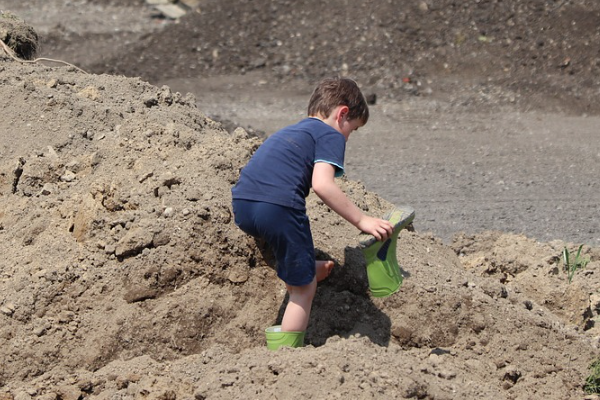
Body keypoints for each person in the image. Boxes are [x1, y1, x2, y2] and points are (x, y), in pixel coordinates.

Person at [231, 77, 393, 336]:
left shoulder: (290, 131)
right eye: (353, 129)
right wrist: (363, 220)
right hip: (279, 208)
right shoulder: (331, 134)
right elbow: (322, 185)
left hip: (242, 205)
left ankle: (307, 267)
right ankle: (288, 351)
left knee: (287, 241)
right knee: (304, 289)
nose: (348, 138)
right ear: (342, 114)